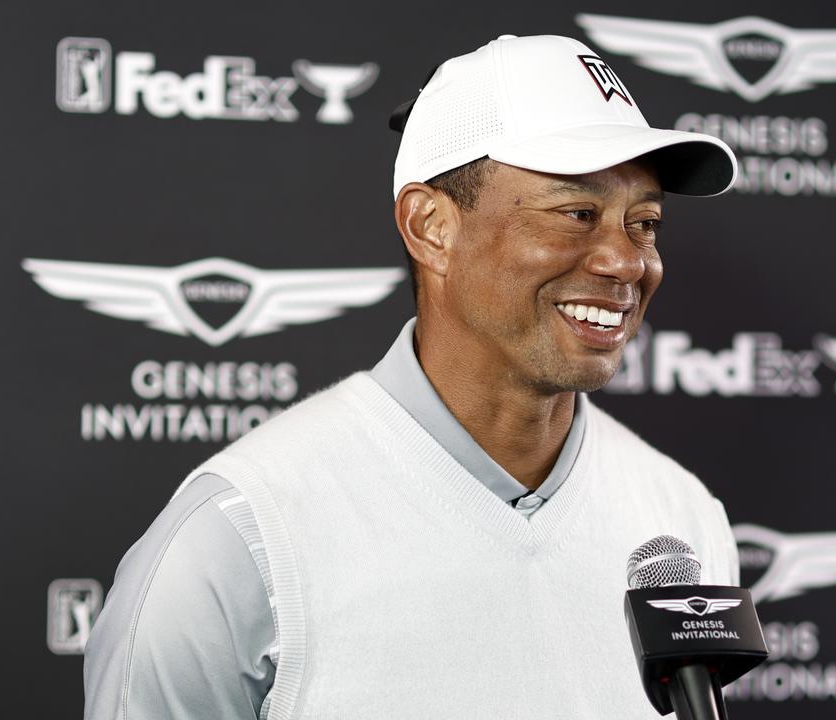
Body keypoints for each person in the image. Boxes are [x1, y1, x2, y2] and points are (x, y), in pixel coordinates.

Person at [84, 34, 740, 719]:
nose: (626, 262)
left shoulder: (682, 518)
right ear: (430, 227)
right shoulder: (240, 533)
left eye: (645, 223)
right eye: (577, 214)